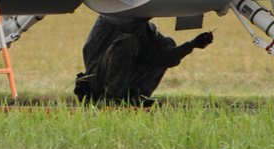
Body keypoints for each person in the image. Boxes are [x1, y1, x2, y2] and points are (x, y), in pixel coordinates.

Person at [74, 14, 214, 106]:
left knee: (165, 44)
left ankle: (135, 96)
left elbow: (167, 57)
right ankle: (112, 99)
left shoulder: (147, 29)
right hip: (98, 81)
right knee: (128, 42)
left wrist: (193, 44)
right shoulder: (111, 18)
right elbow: (126, 31)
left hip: (126, 82)